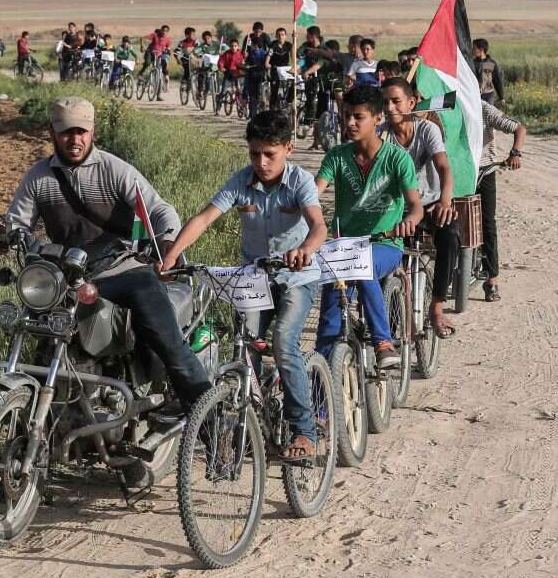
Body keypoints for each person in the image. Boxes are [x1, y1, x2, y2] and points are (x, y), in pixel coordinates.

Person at [0, 96, 211, 414]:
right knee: (42, 334)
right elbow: (17, 222)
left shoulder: (114, 170)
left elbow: (159, 209)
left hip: (123, 270)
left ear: (92, 130)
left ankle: (209, 419)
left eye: (81, 131)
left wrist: (167, 243)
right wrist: (7, 233)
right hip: (68, 276)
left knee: (166, 340)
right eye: (67, 132)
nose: (75, 139)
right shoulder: (39, 177)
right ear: (52, 133)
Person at [161, 110, 328, 460]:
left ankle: (304, 430)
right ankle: (250, 422)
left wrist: (306, 250)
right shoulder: (241, 181)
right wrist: (173, 255)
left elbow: (317, 225)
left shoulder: (300, 181)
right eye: (255, 153)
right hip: (254, 279)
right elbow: (205, 218)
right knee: (242, 346)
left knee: (284, 340)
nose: (262, 162)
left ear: (288, 148)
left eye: (270, 154)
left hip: (296, 277)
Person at [315, 86, 424, 368]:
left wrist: (409, 221)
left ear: (377, 118)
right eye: (346, 116)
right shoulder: (337, 156)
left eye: (358, 117)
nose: (350, 123)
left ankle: (383, 341)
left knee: (363, 267)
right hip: (344, 246)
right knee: (329, 314)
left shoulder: (397, 159)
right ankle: (322, 394)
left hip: (384, 244)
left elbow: (415, 205)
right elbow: (314, 193)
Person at [382, 77, 462, 338]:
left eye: (396, 101)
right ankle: (389, 316)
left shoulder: (427, 129)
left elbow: (444, 168)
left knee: (450, 235)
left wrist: (445, 201)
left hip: (430, 204)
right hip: (396, 208)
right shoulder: (381, 134)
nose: (391, 107)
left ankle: (437, 306)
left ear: (411, 103)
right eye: (385, 102)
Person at [479, 101, 527, 302]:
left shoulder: (483, 108)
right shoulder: (447, 104)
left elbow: (519, 128)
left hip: (484, 171)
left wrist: (514, 153)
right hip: (455, 173)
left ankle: (492, 279)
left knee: (488, 224)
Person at [243, 21, 272, 118]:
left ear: (262, 31)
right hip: (251, 66)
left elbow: (271, 48)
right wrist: (245, 56)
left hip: (263, 64)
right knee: (250, 90)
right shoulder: (248, 38)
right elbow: (244, 50)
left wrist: (268, 58)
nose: (257, 33)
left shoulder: (265, 37)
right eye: (256, 31)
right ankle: (250, 109)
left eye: (259, 31)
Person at [142, 25, 173, 99]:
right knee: (149, 65)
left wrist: (168, 49)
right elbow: (144, 38)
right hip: (152, 54)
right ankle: (145, 81)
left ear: (167, 32)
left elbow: (169, 46)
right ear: (161, 30)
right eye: (163, 30)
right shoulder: (155, 35)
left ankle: (158, 95)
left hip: (160, 55)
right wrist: (143, 46)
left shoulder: (167, 39)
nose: (164, 32)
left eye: (166, 31)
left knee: (159, 75)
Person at [473, 38, 505, 107]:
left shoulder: (491, 64)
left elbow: (497, 80)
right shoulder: (472, 64)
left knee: (489, 115)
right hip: (475, 95)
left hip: (489, 94)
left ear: (481, 50)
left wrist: (501, 97)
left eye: (474, 48)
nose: (472, 50)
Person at [266, 27, 293, 109]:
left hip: (286, 69)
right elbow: (268, 59)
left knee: (295, 83)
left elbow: (294, 56)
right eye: (279, 35)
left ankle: (288, 100)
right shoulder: (273, 46)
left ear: (285, 36)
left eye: (282, 35)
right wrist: (269, 64)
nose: (281, 36)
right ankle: (272, 110)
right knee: (274, 91)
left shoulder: (289, 45)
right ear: (276, 36)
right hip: (275, 70)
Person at [194, 31, 222, 97]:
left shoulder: (217, 44)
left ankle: (218, 89)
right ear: (203, 39)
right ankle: (200, 91)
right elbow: (195, 52)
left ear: (211, 38)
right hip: (206, 64)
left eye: (208, 38)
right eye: (205, 39)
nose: (207, 40)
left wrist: (222, 52)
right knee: (202, 74)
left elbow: (224, 48)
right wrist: (198, 55)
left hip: (215, 64)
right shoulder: (202, 46)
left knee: (220, 74)